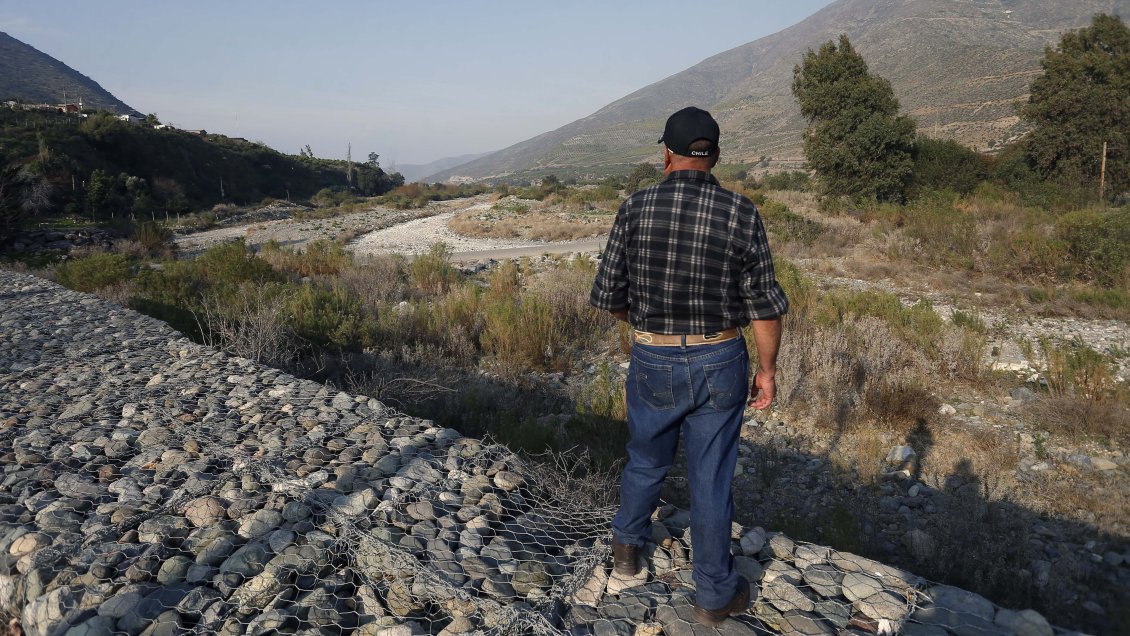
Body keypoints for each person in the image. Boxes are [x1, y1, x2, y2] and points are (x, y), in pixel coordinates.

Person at [590, 106, 788, 627]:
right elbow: (765, 307)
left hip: (653, 354)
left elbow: (609, 294)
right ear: (716, 155)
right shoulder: (741, 212)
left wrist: (642, 325)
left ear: (666, 155)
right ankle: (714, 595)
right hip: (720, 356)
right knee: (710, 478)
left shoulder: (634, 209)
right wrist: (766, 371)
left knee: (646, 458)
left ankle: (628, 548)